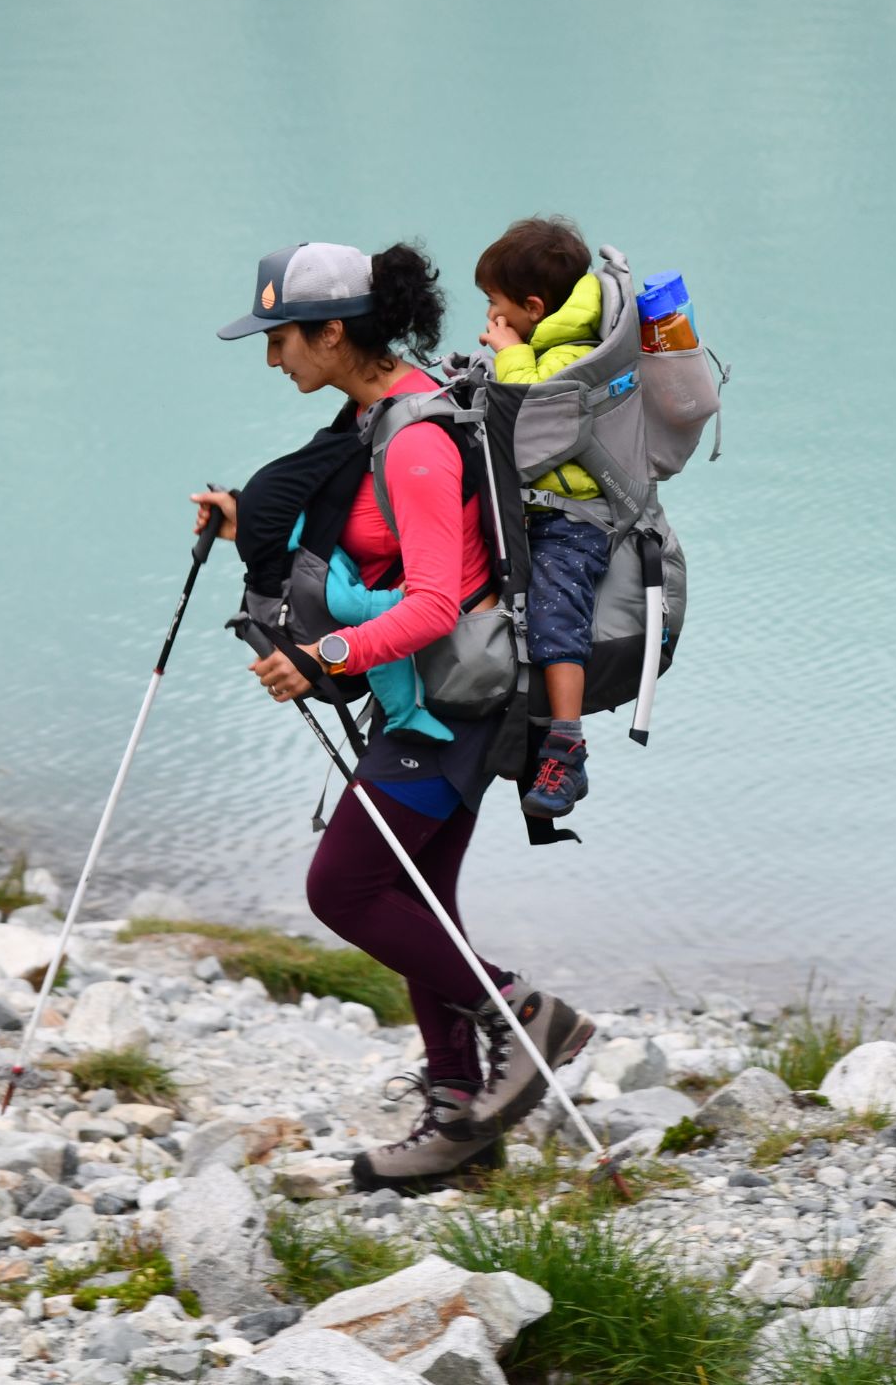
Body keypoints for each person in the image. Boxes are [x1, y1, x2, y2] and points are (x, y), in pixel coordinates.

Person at [195, 239, 596, 1192]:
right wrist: (242, 523)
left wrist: (320, 656)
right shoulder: (372, 417)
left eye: (281, 336)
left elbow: (431, 605)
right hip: (431, 701)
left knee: (344, 890)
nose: (271, 357)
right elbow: (354, 541)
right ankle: (458, 1117)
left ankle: (523, 1014)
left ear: (334, 332)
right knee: (416, 900)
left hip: (455, 705)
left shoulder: (413, 439)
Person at [475, 216, 611, 817]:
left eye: (496, 306)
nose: (491, 319)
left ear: (532, 307)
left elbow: (531, 413)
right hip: (539, 510)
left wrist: (509, 355)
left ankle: (567, 743)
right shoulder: (551, 343)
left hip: (572, 520)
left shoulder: (573, 354)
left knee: (557, 620)